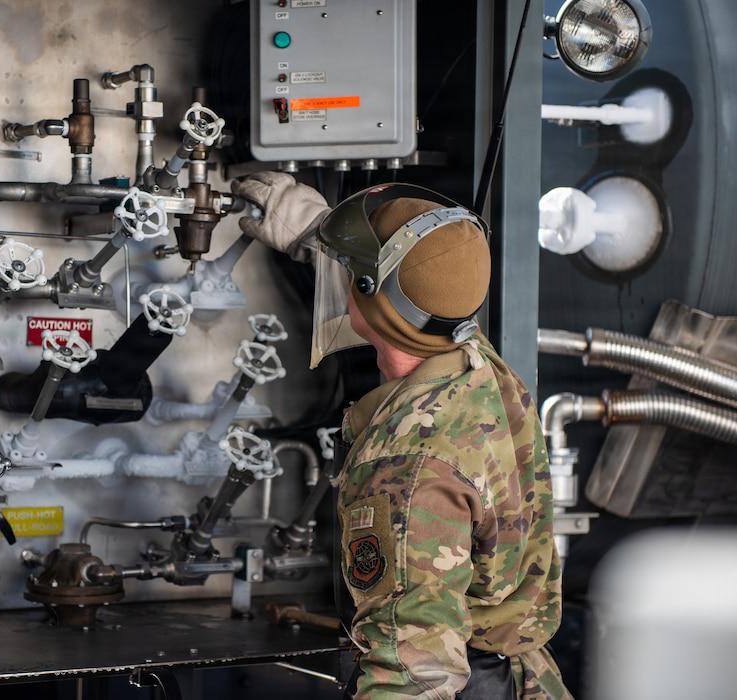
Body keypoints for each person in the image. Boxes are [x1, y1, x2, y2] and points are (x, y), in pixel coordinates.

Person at [232, 171, 572, 700]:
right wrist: (316, 236)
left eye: (352, 273)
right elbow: (426, 278)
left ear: (368, 294)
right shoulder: (472, 357)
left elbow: (414, 674)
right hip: (514, 673)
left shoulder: (406, 467)